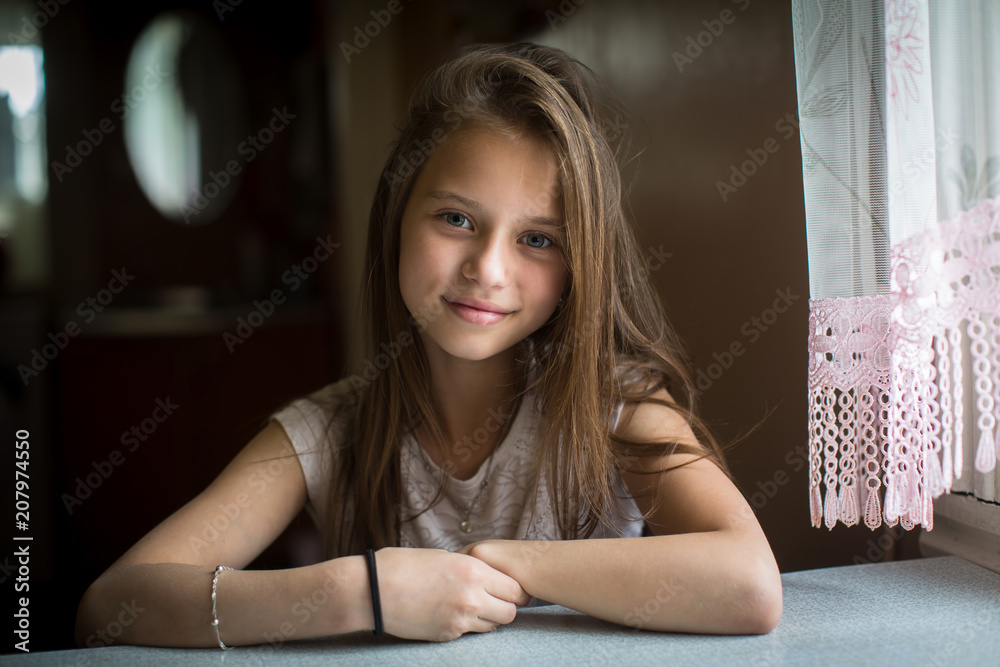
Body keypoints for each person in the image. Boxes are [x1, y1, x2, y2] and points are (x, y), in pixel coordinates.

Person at [75, 42, 782, 648]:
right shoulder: (329, 432)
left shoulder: (615, 406)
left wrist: (501, 563)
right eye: (455, 218)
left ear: (577, 267)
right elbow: (110, 607)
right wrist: (363, 592)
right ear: (396, 217)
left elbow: (750, 583)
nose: (488, 269)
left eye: (538, 239)